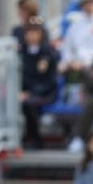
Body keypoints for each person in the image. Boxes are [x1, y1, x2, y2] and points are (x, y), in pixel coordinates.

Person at [18, 21, 62, 149]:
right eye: (29, 32)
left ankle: (35, 139)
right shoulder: (22, 53)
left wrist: (31, 92)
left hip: (45, 92)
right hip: (25, 92)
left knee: (29, 104)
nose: (31, 36)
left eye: (35, 32)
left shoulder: (48, 52)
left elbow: (49, 80)